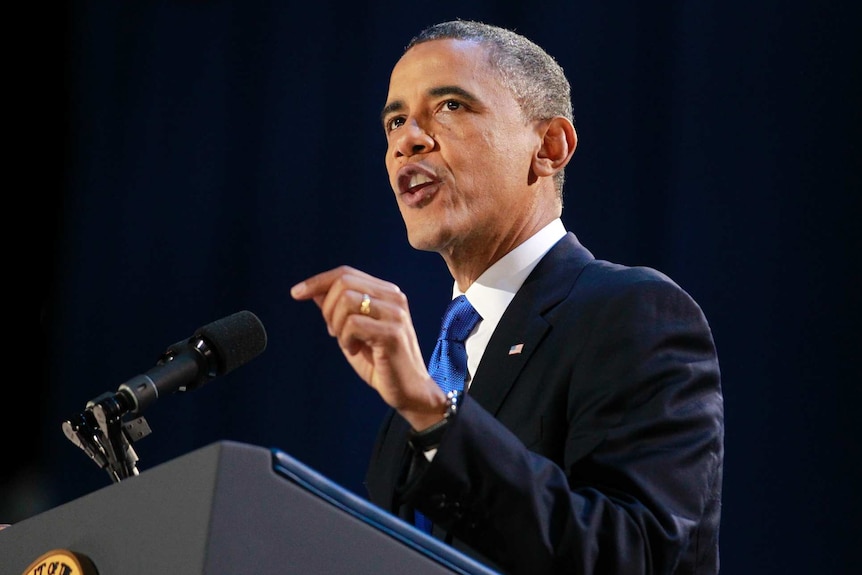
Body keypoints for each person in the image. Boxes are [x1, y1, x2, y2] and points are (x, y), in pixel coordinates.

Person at [290, 19, 723, 575]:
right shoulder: (435, 370)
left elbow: (634, 553)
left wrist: (431, 413)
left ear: (549, 147)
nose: (407, 140)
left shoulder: (633, 312)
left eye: (449, 106)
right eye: (395, 120)